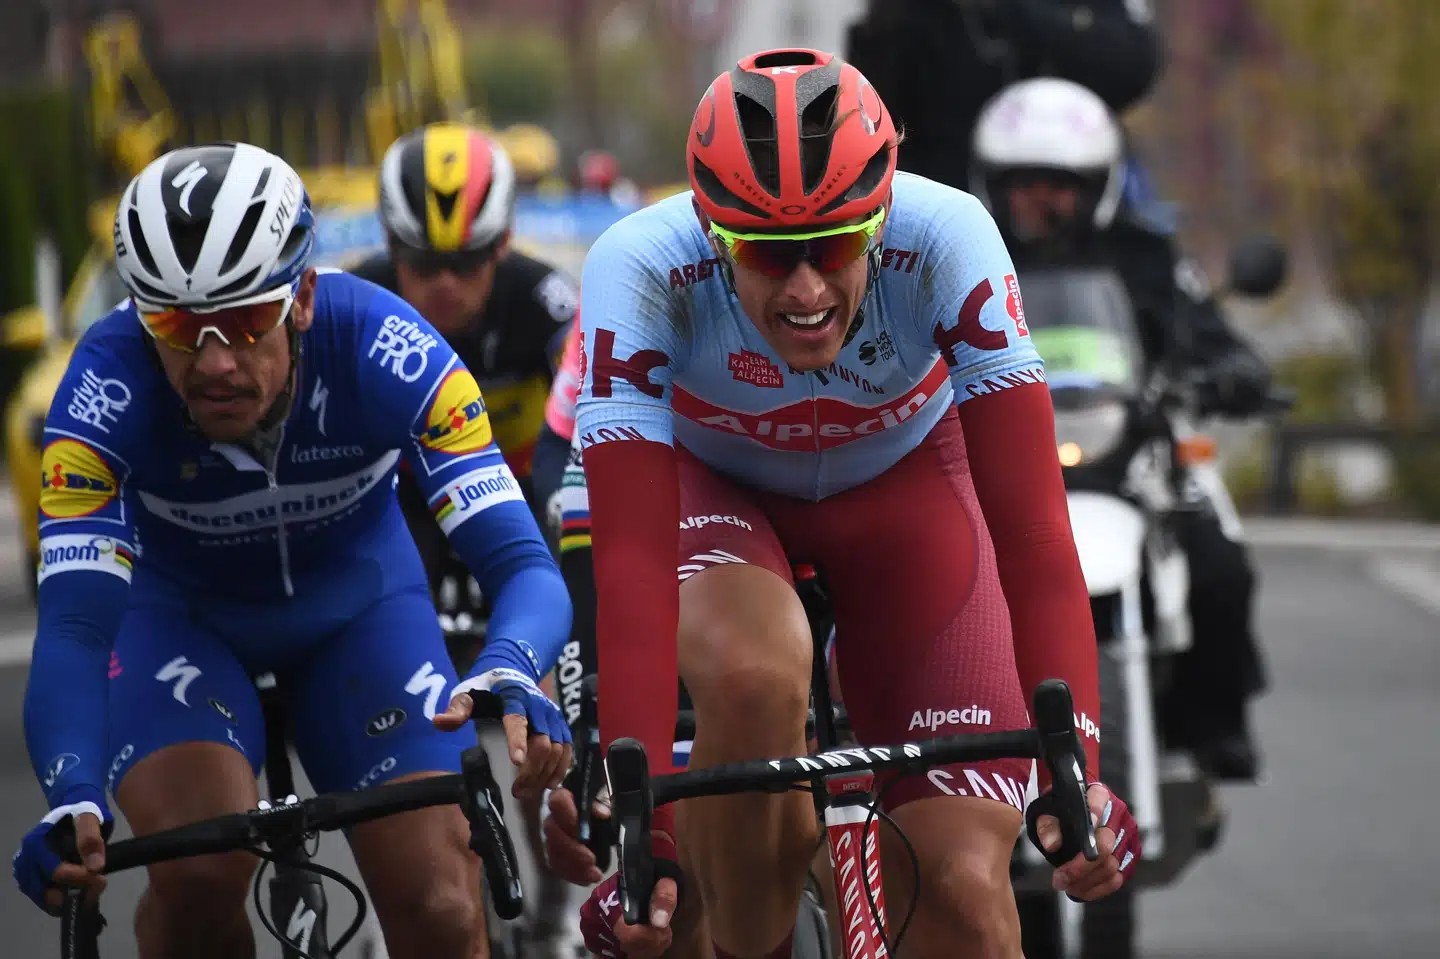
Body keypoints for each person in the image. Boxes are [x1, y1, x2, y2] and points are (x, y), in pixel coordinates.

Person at [545, 48, 1142, 959]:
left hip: (903, 491)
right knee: (753, 673)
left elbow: (1030, 529)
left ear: (881, 214)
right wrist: (645, 833)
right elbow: (628, 569)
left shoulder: (949, 234)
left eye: (833, 246)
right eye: (767, 255)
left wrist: (1080, 774)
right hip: (718, 489)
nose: (806, 289)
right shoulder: (640, 266)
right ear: (711, 230)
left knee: (970, 901)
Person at [11, 142, 573, 958]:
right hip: (180, 621)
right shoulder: (100, 391)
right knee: (201, 873)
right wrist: (71, 792)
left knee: (444, 905)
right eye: (175, 325)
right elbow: (71, 631)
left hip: (360, 609)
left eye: (243, 321)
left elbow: (521, 561)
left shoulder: (388, 347)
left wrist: (517, 656)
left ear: (303, 296)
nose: (214, 362)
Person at [969, 76, 1272, 779]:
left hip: (1128, 452)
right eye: (1023, 182)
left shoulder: (1144, 256)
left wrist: (1232, 367)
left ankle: (1210, 721)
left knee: (1219, 560)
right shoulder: (965, 252)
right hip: (1001, 458)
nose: (1041, 199)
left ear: (1100, 183)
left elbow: (1202, 325)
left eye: (1060, 182)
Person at [356, 120, 584, 953]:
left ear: (505, 245)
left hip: (515, 501)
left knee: (547, 709)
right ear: (390, 248)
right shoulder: (361, 302)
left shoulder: (545, 302)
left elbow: (589, 422)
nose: (445, 284)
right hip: (405, 502)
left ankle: (554, 920)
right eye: (424, 264)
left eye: (467, 263)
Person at [845, 0, 1162, 188]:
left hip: (1074, 194)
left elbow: (1134, 63)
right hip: (952, 193)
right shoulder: (914, 16)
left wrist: (1010, 11)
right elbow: (875, 112)